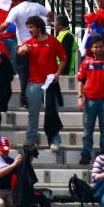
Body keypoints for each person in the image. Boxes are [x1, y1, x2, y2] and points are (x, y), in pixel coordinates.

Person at [0, 0, 53, 108]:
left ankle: (24, 100)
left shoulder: (16, 10)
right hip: (38, 46)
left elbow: (6, 25)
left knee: (24, 75)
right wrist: (46, 22)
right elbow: (51, 15)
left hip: (22, 46)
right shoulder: (37, 6)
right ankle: (40, 98)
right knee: (39, 73)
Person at [18, 15, 66, 149]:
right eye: (27, 27)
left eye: (31, 27)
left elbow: (63, 58)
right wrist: (21, 50)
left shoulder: (53, 41)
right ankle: (30, 139)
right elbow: (19, 51)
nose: (29, 30)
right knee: (33, 114)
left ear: (39, 28)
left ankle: (54, 139)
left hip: (50, 84)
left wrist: (57, 73)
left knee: (52, 113)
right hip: (33, 83)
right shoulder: (29, 43)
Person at [77, 35, 104, 164]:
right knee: (87, 130)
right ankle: (86, 154)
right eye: (96, 47)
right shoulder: (86, 62)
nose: (98, 49)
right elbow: (81, 81)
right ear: (91, 48)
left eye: (101, 46)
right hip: (90, 100)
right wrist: (80, 97)